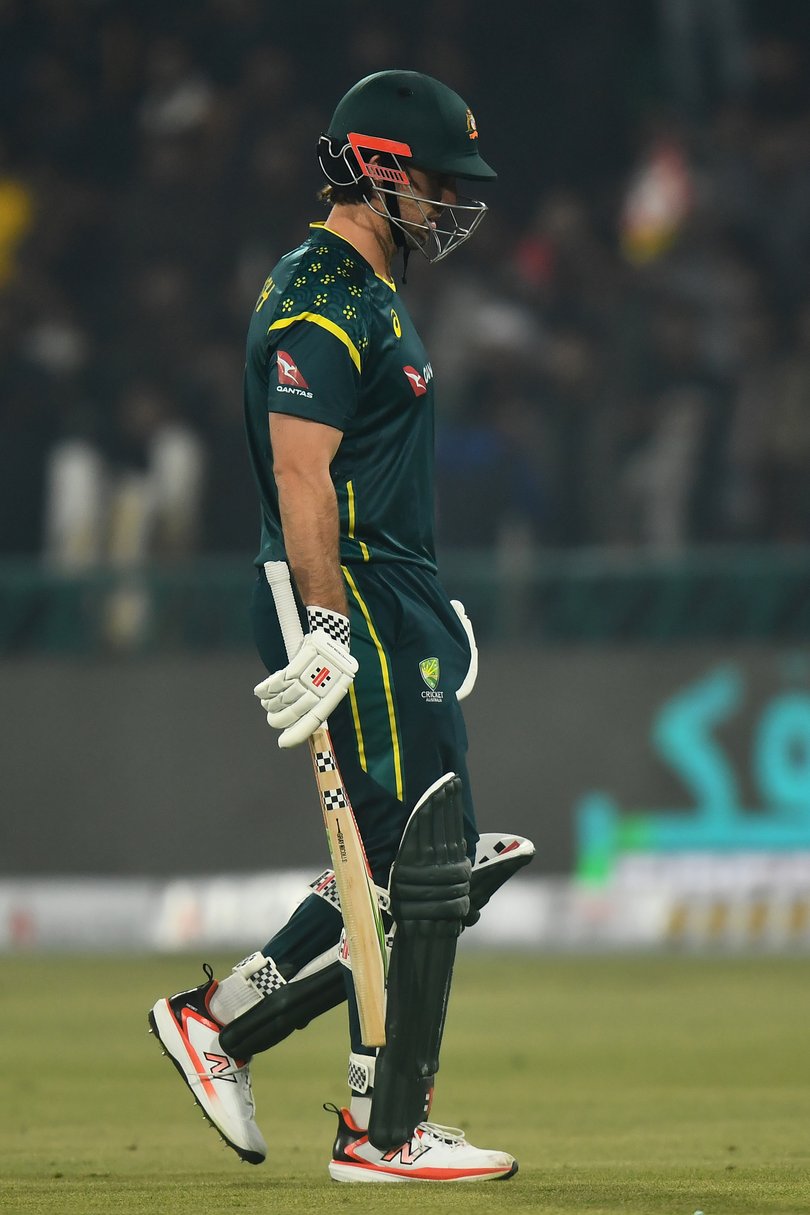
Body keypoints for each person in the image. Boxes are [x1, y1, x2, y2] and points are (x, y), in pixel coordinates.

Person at [149, 69, 534, 1184]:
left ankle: (223, 1024)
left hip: (388, 590)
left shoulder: (370, 291)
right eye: (435, 179)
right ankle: (381, 1130)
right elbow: (300, 474)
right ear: (374, 165)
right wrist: (328, 629)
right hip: (348, 592)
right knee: (422, 861)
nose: (451, 202)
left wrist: (413, 598)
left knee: (422, 863)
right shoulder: (319, 293)